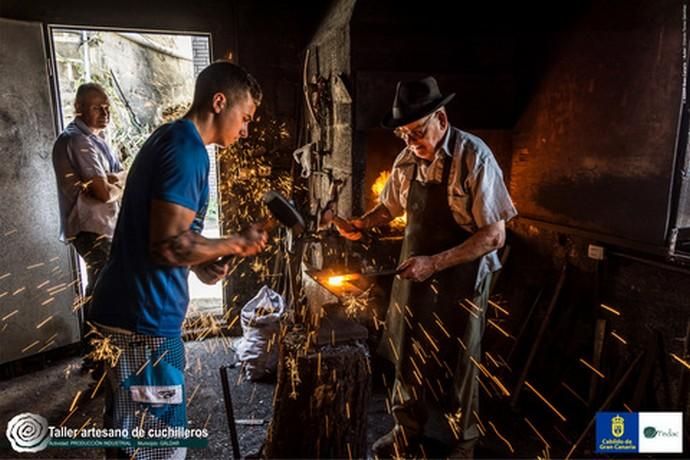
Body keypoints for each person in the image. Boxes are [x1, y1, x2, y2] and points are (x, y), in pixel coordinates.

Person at [89, 61, 268, 460]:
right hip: (145, 323)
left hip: (124, 309)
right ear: (219, 102)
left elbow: (170, 240)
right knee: (161, 445)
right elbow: (168, 247)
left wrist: (206, 260)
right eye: (245, 118)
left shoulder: (170, 139)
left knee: (126, 434)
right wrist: (236, 243)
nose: (246, 130)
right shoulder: (187, 151)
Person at [336, 76, 517, 458]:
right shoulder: (408, 159)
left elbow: (494, 236)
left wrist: (435, 263)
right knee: (405, 349)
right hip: (415, 270)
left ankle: (464, 443)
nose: (411, 141)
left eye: (417, 132)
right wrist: (359, 224)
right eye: (404, 134)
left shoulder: (475, 157)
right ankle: (408, 429)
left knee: (460, 356)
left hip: (464, 274)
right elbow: (389, 207)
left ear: (442, 119)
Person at [52, 83, 125, 301]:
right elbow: (102, 192)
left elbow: (122, 174)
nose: (105, 113)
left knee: (103, 285)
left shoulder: (97, 140)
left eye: (106, 107)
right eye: (97, 108)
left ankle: (96, 334)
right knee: (107, 287)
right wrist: (116, 183)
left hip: (104, 225)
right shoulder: (77, 140)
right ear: (78, 107)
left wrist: (115, 180)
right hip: (90, 228)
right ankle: (96, 334)